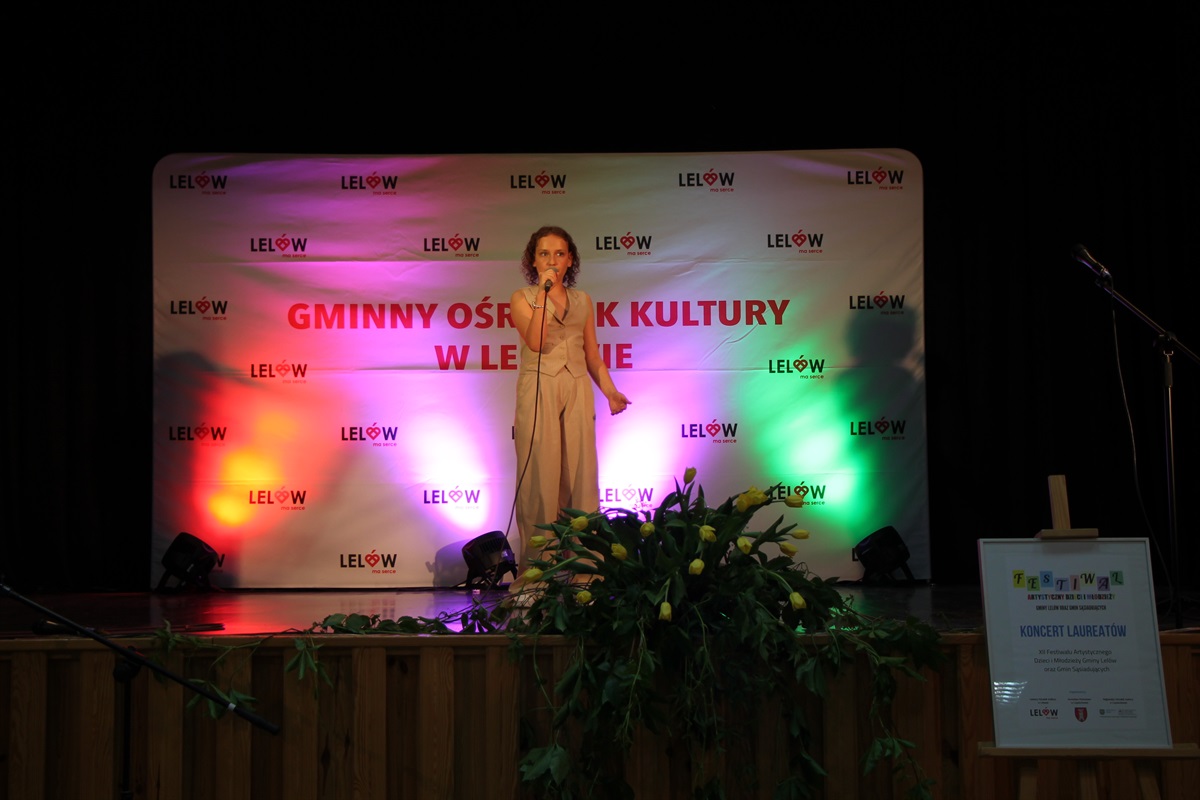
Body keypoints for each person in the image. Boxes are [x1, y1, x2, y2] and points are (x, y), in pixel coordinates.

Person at [509, 225, 630, 575]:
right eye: (544, 254)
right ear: (533, 261)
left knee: (581, 478)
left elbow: (592, 355)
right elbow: (535, 341)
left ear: (570, 260)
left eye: (559, 254)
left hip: (577, 387)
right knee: (540, 480)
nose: (552, 261)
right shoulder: (522, 297)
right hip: (539, 388)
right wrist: (543, 294)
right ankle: (537, 574)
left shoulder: (583, 301)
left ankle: (584, 571)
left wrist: (610, 391)